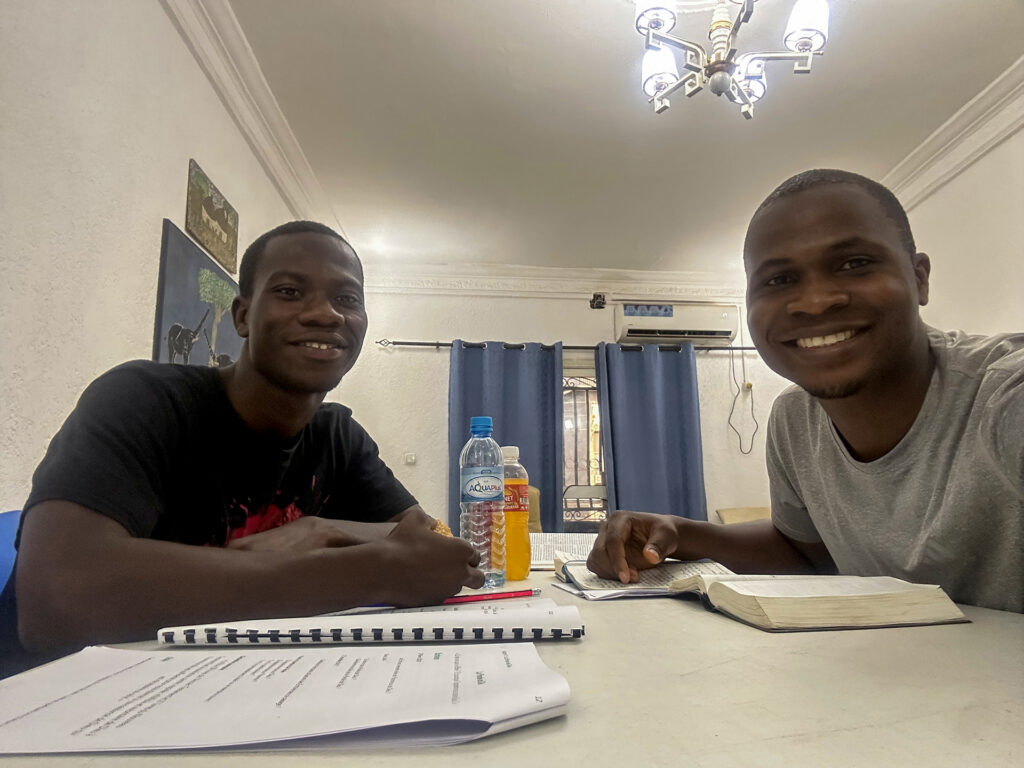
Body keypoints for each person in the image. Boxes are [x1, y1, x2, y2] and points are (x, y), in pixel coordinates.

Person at [1, 221, 484, 678]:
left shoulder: (338, 436)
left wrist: (321, 529)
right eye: (289, 291)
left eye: (347, 298)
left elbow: (433, 543)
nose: (325, 313)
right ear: (242, 316)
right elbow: (57, 599)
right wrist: (372, 571)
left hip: (228, 684)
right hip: (58, 700)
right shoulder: (145, 401)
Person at [588, 169, 1024, 613]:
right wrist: (680, 532)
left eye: (854, 263)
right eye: (779, 280)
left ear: (919, 278)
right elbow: (804, 550)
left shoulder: (1004, 395)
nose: (815, 302)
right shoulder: (795, 418)